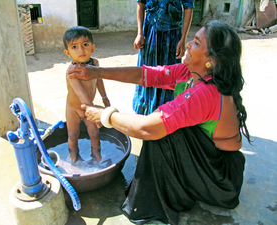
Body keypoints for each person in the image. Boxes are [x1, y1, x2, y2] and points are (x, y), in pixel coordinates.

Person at [66, 21, 251, 225]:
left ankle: (159, 202)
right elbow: (147, 74)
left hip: (219, 177)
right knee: (163, 121)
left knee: (161, 131)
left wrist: (105, 115)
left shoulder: (207, 92)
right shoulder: (190, 73)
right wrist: (97, 72)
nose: (188, 44)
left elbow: (147, 128)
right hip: (208, 161)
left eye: (197, 42)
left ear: (212, 60)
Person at [133, 0, 194, 115]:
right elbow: (140, 4)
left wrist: (183, 38)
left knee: (169, 73)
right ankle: (144, 111)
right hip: (150, 33)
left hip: (172, 36)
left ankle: (165, 113)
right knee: (147, 70)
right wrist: (140, 33)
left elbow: (188, 7)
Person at [63, 26, 110, 163]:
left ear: (92, 48)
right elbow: (81, 94)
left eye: (85, 45)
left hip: (89, 106)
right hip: (74, 108)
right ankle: (73, 156)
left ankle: (96, 155)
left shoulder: (95, 63)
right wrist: (95, 113)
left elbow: (99, 80)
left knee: (95, 133)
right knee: (73, 135)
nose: (81, 50)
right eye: (74, 47)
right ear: (68, 53)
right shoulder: (71, 72)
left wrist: (104, 97)